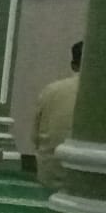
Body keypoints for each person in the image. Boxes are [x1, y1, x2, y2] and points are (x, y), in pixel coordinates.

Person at [32, 41, 81, 190]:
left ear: (73, 66)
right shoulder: (104, 95)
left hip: (49, 174)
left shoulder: (50, 90)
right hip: (85, 179)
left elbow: (34, 138)